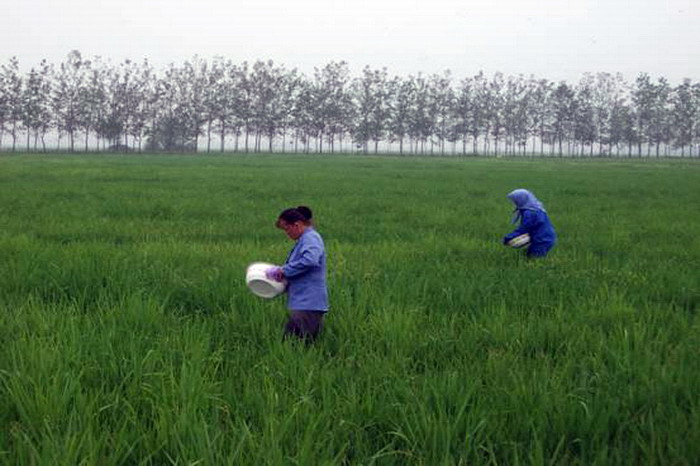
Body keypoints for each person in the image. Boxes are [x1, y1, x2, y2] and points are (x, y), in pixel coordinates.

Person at [265, 206, 329, 342]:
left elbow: (310, 260)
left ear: (297, 225)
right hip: (305, 302)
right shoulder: (305, 239)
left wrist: (283, 270)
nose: (287, 233)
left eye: (287, 229)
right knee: (304, 344)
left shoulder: (310, 238)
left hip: (308, 303)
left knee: (291, 343)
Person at [502, 189, 557, 258]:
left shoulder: (530, 213)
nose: (515, 203)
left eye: (516, 201)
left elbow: (524, 229)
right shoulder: (536, 208)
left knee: (534, 259)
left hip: (541, 240)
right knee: (527, 256)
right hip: (546, 237)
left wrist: (508, 238)